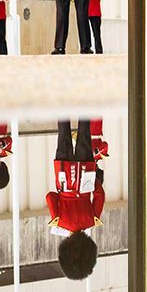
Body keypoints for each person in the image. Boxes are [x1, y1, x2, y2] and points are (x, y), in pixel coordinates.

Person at [47, 120, 104, 280]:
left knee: (84, 130)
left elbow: (99, 194)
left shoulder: (92, 220)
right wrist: (63, 194)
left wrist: (93, 180)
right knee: (63, 132)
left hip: (85, 170)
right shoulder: (60, 222)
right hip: (63, 173)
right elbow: (50, 197)